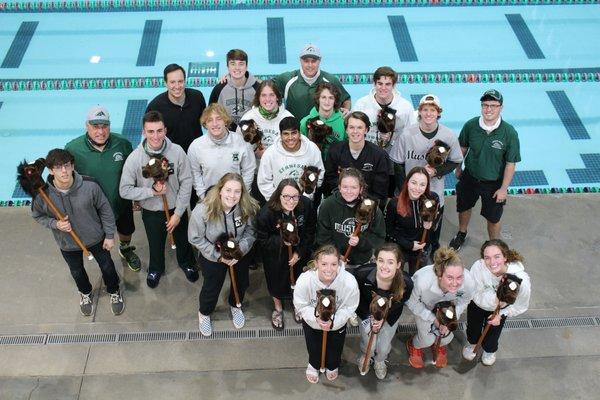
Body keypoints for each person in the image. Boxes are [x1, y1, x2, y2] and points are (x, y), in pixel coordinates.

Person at [31, 149, 124, 316]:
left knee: (108, 267)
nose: (64, 171)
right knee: (76, 272)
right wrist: (55, 224)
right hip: (68, 244)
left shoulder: (90, 185)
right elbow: (37, 215)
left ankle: (114, 290)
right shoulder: (42, 195)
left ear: (73, 166)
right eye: (58, 167)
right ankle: (85, 292)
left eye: (67, 165)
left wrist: (109, 235)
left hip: (96, 237)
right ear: (51, 170)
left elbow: (105, 210)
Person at [119, 111, 197, 288]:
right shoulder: (135, 158)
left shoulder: (177, 152)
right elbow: (124, 190)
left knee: (182, 240)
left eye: (159, 131)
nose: (155, 136)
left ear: (165, 130)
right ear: (144, 132)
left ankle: (187, 264)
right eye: (151, 131)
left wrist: (178, 213)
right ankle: (156, 268)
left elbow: (187, 181)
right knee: (155, 243)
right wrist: (151, 192)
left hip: (176, 209)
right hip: (152, 212)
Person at [65, 105, 141, 272]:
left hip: (120, 201)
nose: (101, 131)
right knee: (100, 240)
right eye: (95, 126)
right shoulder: (73, 149)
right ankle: (106, 264)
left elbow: (134, 172)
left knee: (126, 230)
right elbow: (66, 178)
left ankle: (125, 249)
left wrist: (137, 196)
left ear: (109, 125)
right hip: (93, 207)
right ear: (87, 126)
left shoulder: (123, 144)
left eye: (104, 126)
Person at [390, 94, 463, 257]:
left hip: (434, 192)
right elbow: (398, 164)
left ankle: (433, 250)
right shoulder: (407, 134)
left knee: (433, 229)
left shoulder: (448, 135)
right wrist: (404, 189)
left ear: (438, 112)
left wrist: (437, 171)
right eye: (425, 110)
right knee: (410, 225)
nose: (429, 114)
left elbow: (455, 161)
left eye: (433, 110)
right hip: (411, 191)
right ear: (420, 112)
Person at [449, 89, 521, 250]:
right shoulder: (471, 125)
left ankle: (493, 245)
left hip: (494, 183)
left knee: (493, 218)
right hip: (470, 176)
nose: (488, 109)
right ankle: (462, 233)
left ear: (501, 107)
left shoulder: (509, 133)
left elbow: (511, 163)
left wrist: (503, 189)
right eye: (485, 105)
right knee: (464, 207)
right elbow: (463, 148)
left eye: (493, 105)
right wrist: (458, 168)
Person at [188, 173, 259, 336]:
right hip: (213, 255)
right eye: (228, 190)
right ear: (220, 190)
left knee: (241, 282)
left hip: (239, 253)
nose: (232, 196)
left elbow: (251, 231)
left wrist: (239, 251)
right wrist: (218, 256)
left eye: (237, 191)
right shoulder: (202, 210)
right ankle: (204, 313)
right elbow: (195, 238)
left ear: (242, 193)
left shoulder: (247, 207)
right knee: (212, 286)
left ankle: (235, 305)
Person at [293, 245, 359, 383]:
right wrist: (316, 318)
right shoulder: (305, 280)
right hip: (313, 324)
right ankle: (314, 364)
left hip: (337, 325)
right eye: (324, 264)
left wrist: (334, 320)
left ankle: (333, 365)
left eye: (333, 264)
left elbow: (350, 306)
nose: (329, 269)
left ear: (339, 264)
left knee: (336, 346)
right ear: (316, 263)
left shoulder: (349, 282)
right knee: (313, 345)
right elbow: (300, 304)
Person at [256, 179, 316, 330]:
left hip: (298, 254)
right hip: (276, 256)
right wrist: (282, 241)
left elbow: (310, 231)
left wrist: (299, 253)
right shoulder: (267, 213)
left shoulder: (306, 206)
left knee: (299, 281)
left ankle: (298, 304)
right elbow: (262, 240)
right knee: (276, 281)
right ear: (279, 195)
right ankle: (278, 309)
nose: (291, 201)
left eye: (295, 196)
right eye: (286, 196)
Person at [463, 239, 531, 366]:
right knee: (473, 328)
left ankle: (489, 351)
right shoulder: (478, 266)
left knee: (492, 335)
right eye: (487, 257)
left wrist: (502, 313)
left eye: (497, 256)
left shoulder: (520, 279)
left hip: (499, 311)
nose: (492, 262)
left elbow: (521, 305)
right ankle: (472, 343)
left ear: (505, 257)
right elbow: (472, 289)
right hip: (477, 305)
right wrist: (491, 299)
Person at [405, 247, 475, 369]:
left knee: (446, 338)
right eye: (449, 277)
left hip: (449, 311)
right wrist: (433, 319)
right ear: (439, 275)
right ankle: (414, 345)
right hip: (425, 309)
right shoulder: (422, 280)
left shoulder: (468, 282)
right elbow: (412, 302)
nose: (455, 283)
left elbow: (465, 300)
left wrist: (452, 316)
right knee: (426, 340)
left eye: (459, 277)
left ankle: (440, 344)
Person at [351, 243, 413, 379]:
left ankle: (380, 360)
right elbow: (357, 300)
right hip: (367, 314)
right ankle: (366, 354)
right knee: (369, 343)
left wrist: (383, 318)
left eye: (390, 262)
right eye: (381, 261)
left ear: (398, 264)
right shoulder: (362, 275)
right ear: (375, 260)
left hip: (390, 317)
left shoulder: (406, 283)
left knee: (384, 346)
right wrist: (370, 317)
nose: (384, 266)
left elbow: (400, 303)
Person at [353, 66, 417, 195]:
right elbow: (352, 131)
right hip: (367, 158)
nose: (383, 88)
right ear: (374, 83)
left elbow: (412, 137)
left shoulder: (405, 107)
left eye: (388, 84)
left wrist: (393, 139)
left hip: (394, 163)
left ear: (394, 85)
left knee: (390, 196)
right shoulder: (362, 105)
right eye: (380, 83)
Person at [317, 167, 385, 268]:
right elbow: (323, 236)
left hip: (362, 261)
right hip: (335, 262)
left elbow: (379, 236)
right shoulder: (328, 205)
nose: (349, 191)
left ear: (361, 188)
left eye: (354, 187)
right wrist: (335, 255)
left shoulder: (370, 207)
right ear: (339, 187)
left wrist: (360, 242)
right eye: (345, 187)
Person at [187, 104, 256, 201]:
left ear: (225, 121)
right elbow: (194, 173)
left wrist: (240, 194)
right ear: (205, 124)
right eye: (210, 120)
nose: (215, 124)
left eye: (219, 119)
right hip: (209, 199)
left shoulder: (241, 142)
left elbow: (249, 170)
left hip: (235, 198)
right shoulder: (196, 146)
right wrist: (203, 195)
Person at [385, 166, 440, 275]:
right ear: (407, 183)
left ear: (427, 186)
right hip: (400, 247)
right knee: (397, 278)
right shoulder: (394, 203)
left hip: (422, 247)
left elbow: (437, 220)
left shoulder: (433, 199)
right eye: (414, 183)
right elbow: (389, 231)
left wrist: (431, 223)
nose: (417, 188)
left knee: (417, 277)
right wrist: (409, 245)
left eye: (422, 185)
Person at [272, 44, 351, 120]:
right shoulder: (287, 79)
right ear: (300, 61)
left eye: (313, 61)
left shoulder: (331, 81)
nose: (310, 65)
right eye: (306, 61)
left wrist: (346, 110)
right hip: (294, 132)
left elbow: (346, 99)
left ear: (319, 61)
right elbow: (264, 87)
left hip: (322, 131)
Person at [323, 111, 389, 201]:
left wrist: (362, 200)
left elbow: (380, 190)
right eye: (351, 127)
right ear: (346, 130)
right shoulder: (335, 150)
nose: (355, 131)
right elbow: (330, 180)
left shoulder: (379, 155)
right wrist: (345, 196)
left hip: (367, 204)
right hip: (340, 200)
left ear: (366, 130)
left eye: (359, 127)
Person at [257, 116, 324, 201]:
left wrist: (307, 196)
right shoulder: (270, 153)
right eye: (286, 134)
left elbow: (319, 173)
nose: (290, 138)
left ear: (299, 133)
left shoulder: (312, 149)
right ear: (280, 135)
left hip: (305, 201)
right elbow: (264, 182)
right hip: (279, 203)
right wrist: (278, 200)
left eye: (294, 133)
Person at [146, 63, 206, 153]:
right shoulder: (155, 106)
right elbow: (150, 136)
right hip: (170, 156)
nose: (177, 86)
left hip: (196, 153)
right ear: (166, 83)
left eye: (180, 81)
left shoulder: (197, 97)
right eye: (172, 82)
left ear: (185, 81)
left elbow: (206, 122)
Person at [209, 49, 260, 130]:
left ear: (246, 66)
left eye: (241, 64)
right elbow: (210, 115)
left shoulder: (257, 88)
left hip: (250, 136)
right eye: (233, 64)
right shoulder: (219, 89)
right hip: (225, 136)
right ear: (227, 66)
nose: (237, 68)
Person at [299, 81, 347, 159]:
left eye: (331, 98)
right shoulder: (306, 122)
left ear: (335, 100)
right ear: (318, 99)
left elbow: (347, 149)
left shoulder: (344, 121)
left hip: (336, 165)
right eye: (323, 97)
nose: (327, 102)